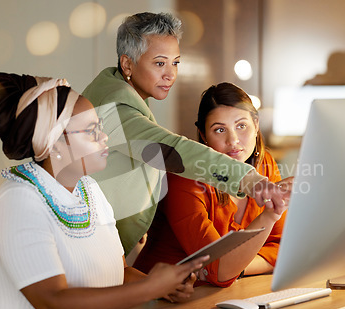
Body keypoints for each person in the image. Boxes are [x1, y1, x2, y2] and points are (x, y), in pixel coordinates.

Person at [0, 72, 207, 309]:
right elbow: (53, 302)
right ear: (55, 143)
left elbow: (118, 273)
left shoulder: (89, 190)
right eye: (92, 131)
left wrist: (162, 287)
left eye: (101, 127)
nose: (105, 137)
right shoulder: (17, 202)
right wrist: (149, 288)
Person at [82, 12, 291, 256]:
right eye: (160, 63)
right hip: (88, 246)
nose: (170, 74)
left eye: (175, 62)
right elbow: (172, 149)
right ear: (127, 64)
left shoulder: (121, 93)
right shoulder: (114, 108)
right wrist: (250, 180)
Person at [133, 83, 290, 287]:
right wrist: (270, 215)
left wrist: (238, 267)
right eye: (219, 130)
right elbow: (219, 271)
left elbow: (284, 249)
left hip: (225, 294)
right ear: (204, 135)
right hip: (160, 299)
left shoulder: (263, 164)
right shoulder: (185, 177)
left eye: (241, 126)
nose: (233, 140)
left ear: (256, 124)